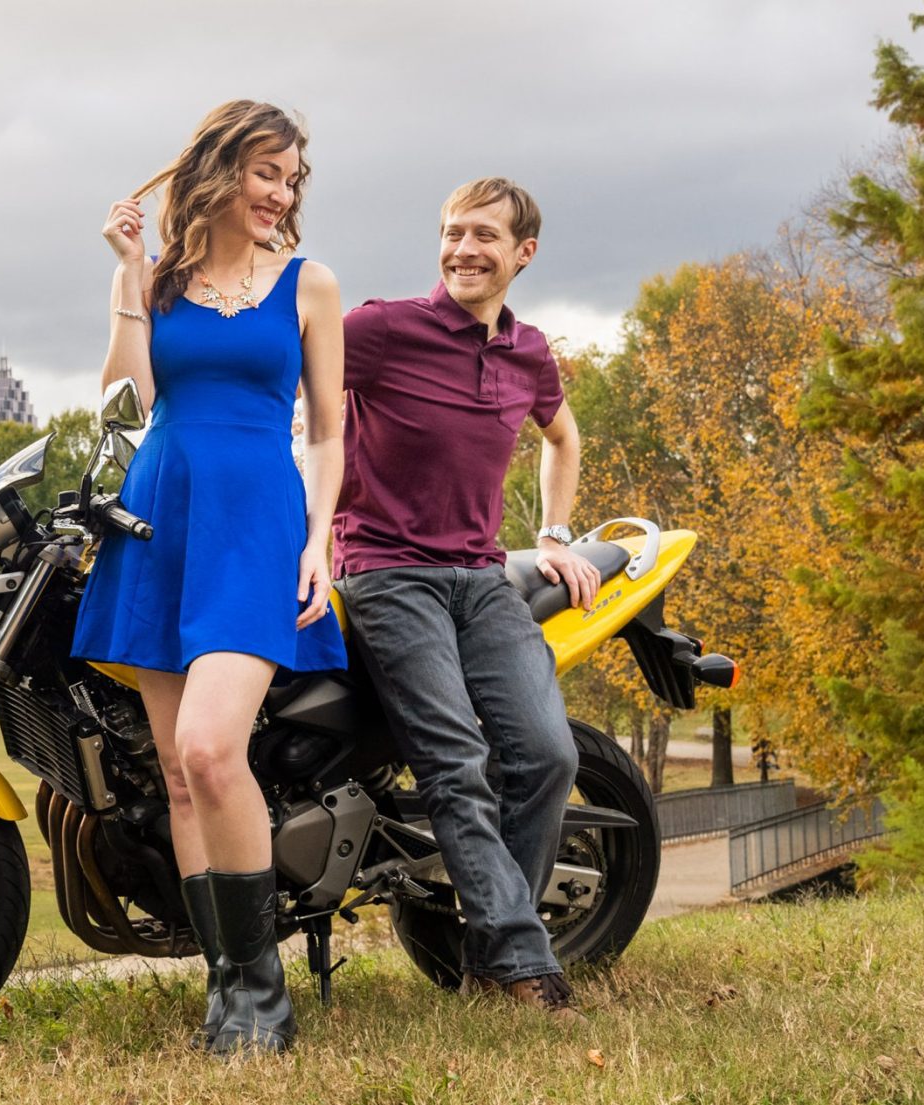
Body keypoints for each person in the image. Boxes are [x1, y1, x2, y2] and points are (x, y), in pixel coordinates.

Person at [70, 100, 347, 1054]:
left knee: (210, 749)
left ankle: (264, 991)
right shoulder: (164, 281)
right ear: (223, 171)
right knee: (182, 780)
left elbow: (327, 430)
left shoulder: (312, 286)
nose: (280, 192)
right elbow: (128, 399)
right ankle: (228, 988)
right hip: (163, 520)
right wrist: (126, 272)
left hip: (258, 527)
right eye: (266, 172)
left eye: (291, 178)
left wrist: (319, 541)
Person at [334, 177, 600, 1025]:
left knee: (547, 756)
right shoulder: (380, 330)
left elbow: (563, 435)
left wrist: (554, 532)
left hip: (483, 577)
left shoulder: (528, 353)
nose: (463, 249)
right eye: (452, 233)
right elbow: (291, 392)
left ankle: (492, 953)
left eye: (484, 235)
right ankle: (523, 962)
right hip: (383, 569)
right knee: (455, 763)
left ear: (523, 253)